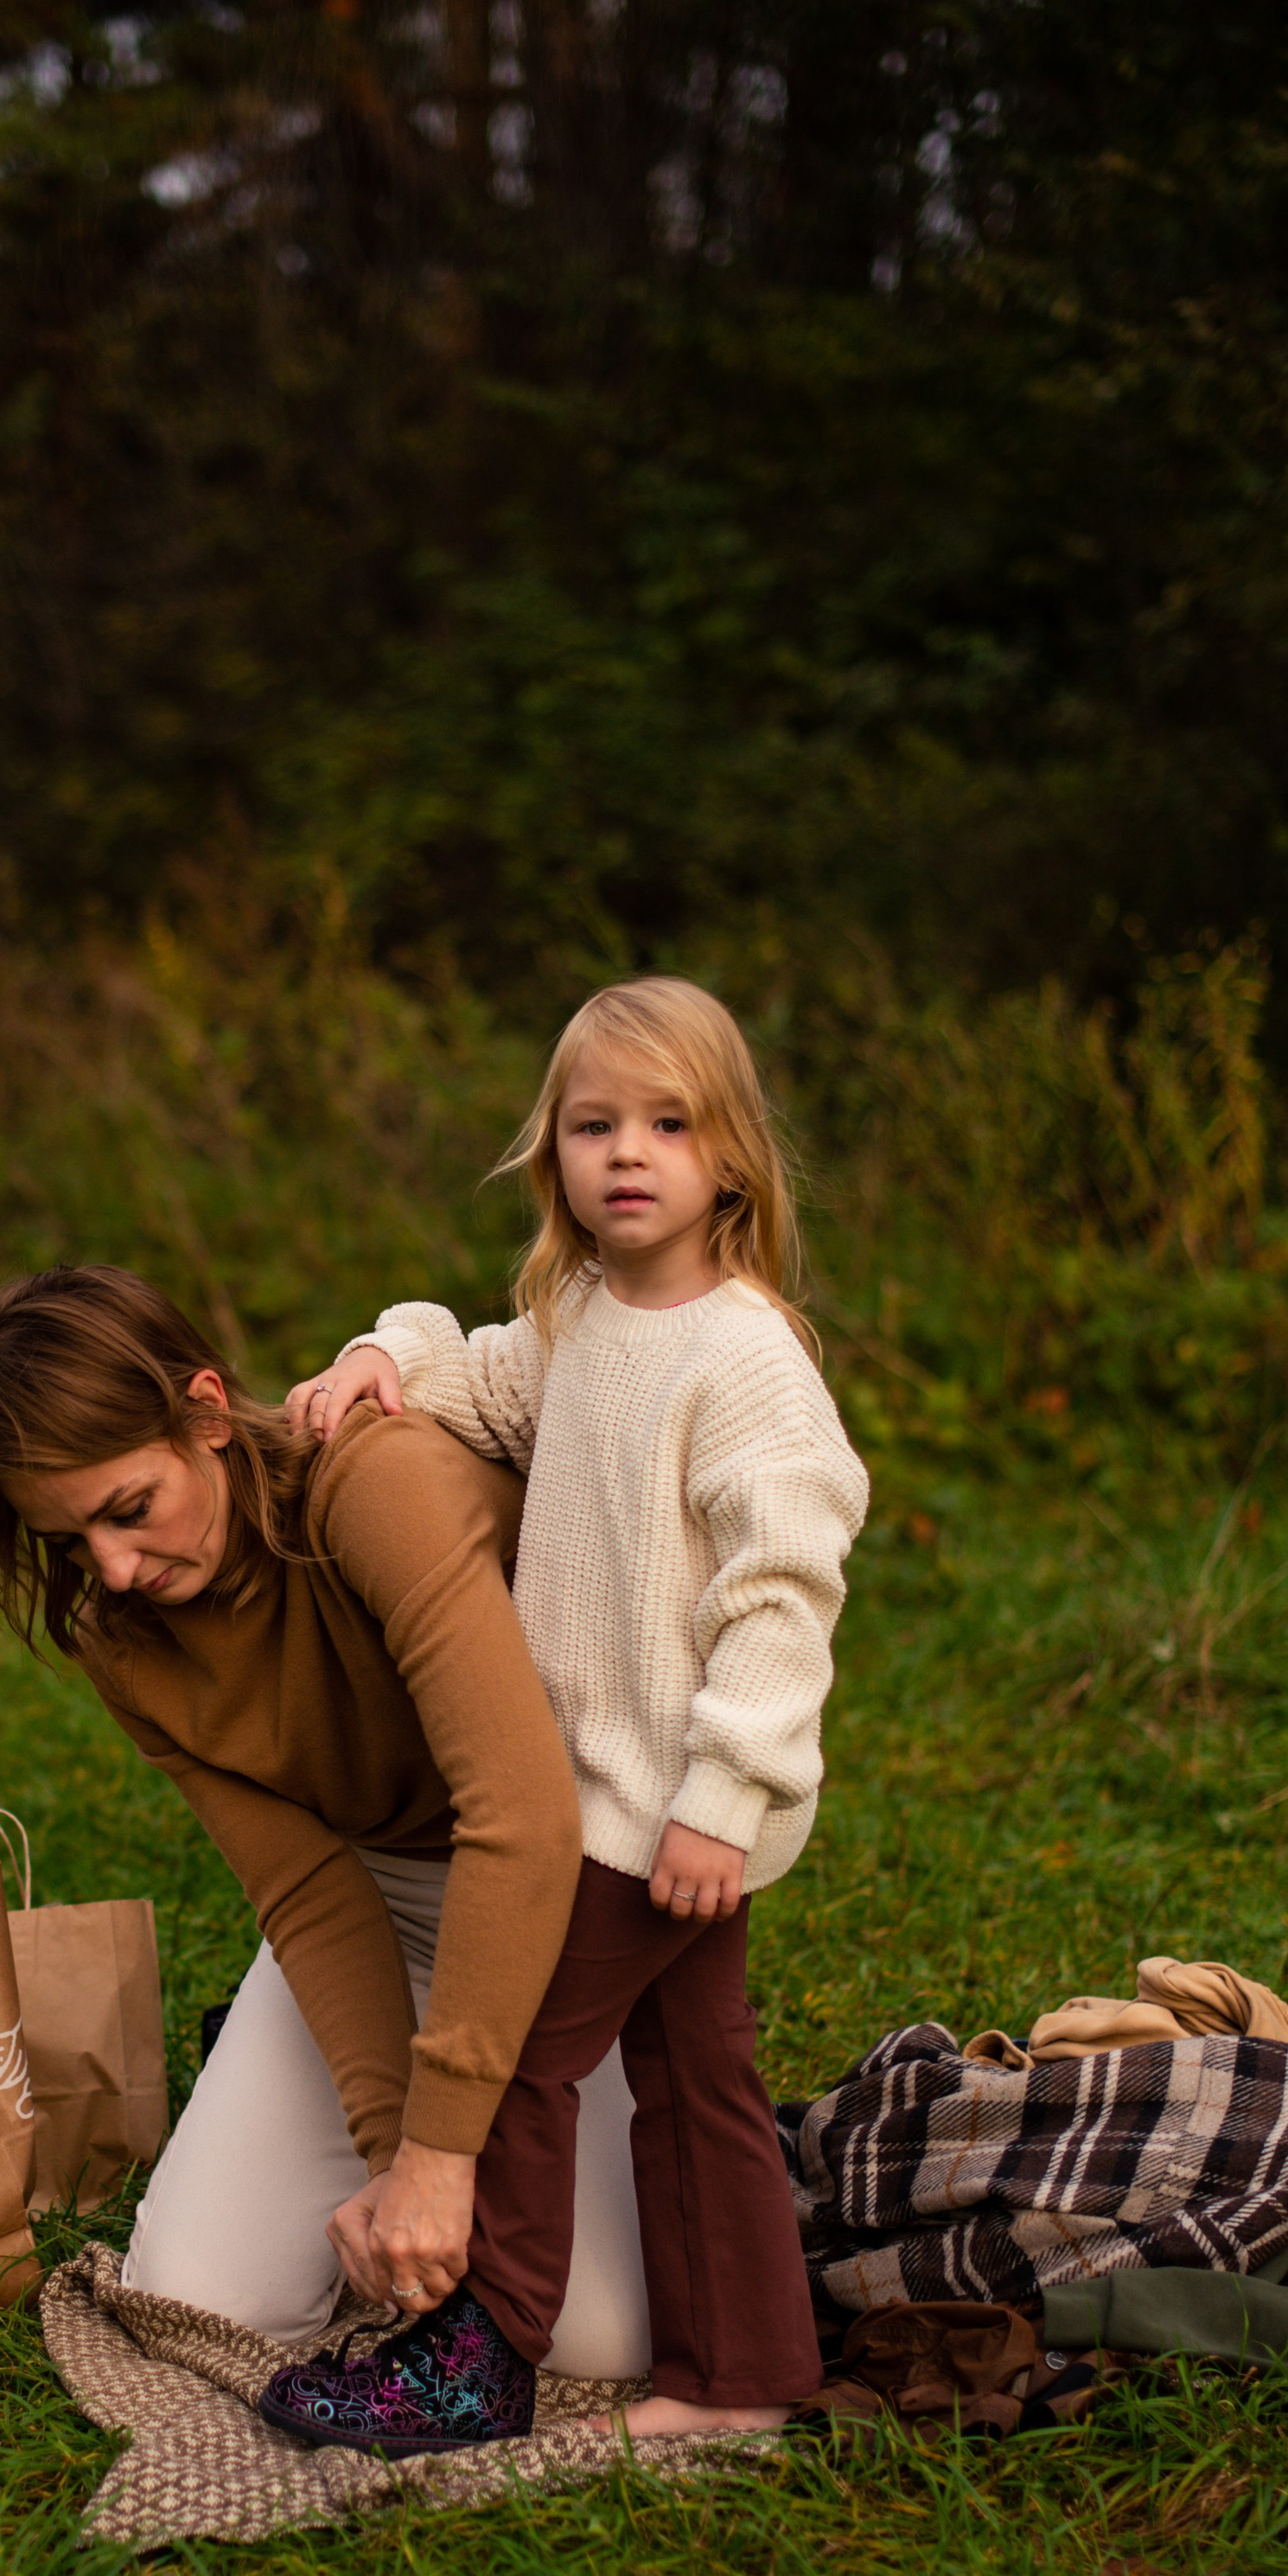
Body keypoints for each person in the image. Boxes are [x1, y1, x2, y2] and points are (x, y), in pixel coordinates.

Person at [265, 976, 868, 2451]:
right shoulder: (583, 1319)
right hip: (607, 1792)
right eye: (595, 1124)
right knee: (696, 2077)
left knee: (519, 2058)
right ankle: (743, 2372)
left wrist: (724, 1798)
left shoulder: (742, 1358)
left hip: (655, 1807)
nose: (628, 1153)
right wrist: (378, 1359)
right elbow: (475, 1379)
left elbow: (785, 1590)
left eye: (668, 1123)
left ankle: (483, 2351)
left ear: (730, 1155)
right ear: (555, 1155)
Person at [0, 1264, 654, 2408]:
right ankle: (426, 2107)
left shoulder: (375, 1487)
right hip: (384, 1898)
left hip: (567, 1898)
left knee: (592, 2341)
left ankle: (662, 2116)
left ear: (207, 1415)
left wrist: (441, 2155)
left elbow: (524, 1821)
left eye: (128, 1510)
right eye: (69, 1542)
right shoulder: (122, 1640)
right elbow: (311, 1893)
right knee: (203, 2295)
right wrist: (389, 2164)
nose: (115, 1569)